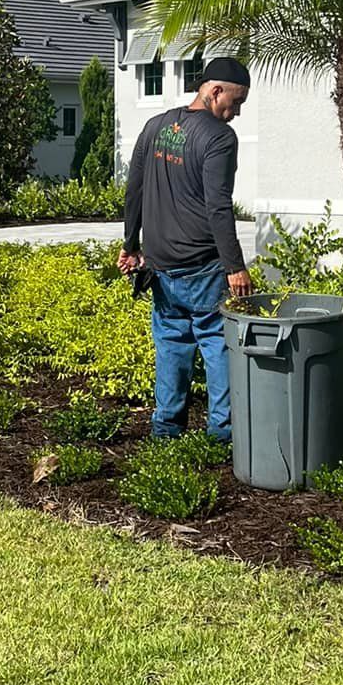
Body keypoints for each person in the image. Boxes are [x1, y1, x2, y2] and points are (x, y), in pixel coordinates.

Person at [119, 57, 254, 443]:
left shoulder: (155, 126)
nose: (237, 112)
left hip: (161, 266)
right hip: (204, 268)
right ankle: (221, 436)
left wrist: (131, 246)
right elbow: (218, 205)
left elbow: (135, 192)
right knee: (217, 346)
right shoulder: (218, 138)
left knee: (172, 347)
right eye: (237, 101)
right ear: (214, 92)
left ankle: (166, 433)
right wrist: (235, 266)